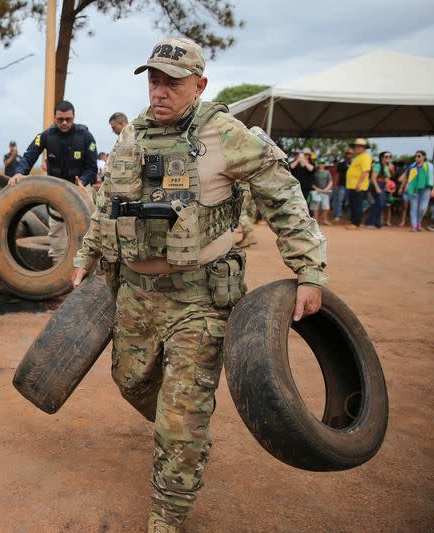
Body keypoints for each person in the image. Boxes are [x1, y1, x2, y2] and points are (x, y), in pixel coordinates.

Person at [71, 37, 326, 533]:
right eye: (153, 80)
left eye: (172, 82)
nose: (160, 91)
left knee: (180, 418)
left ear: (200, 85)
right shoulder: (132, 137)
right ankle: (185, 434)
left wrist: (309, 271)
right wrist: (87, 254)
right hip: (135, 294)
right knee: (130, 382)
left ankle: (168, 514)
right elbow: (107, 205)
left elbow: (283, 198)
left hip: (201, 297)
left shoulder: (227, 135)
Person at [9, 100, 99, 259]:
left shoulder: (85, 136)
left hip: (81, 189)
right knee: (57, 236)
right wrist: (20, 172)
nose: (64, 123)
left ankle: (90, 276)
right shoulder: (45, 136)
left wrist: (83, 181)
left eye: (68, 119)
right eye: (60, 119)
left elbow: (92, 167)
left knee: (89, 235)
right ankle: (58, 271)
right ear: (54, 118)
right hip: (56, 192)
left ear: (74, 117)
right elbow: (29, 155)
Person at [397, 150, 434, 232]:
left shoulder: (430, 166)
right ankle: (414, 226)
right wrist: (401, 188)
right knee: (413, 208)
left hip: (426, 188)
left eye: (419, 156)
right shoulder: (412, 166)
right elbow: (405, 177)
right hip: (413, 189)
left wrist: (433, 189)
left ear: (424, 157)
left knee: (422, 209)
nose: (416, 157)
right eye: (416, 156)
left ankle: (418, 222)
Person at [344, 138, 372, 230]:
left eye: (358, 146)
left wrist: (359, 184)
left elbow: (365, 171)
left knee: (357, 205)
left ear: (363, 147)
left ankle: (356, 223)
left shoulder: (366, 157)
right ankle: (353, 222)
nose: (356, 148)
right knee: (353, 204)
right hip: (352, 185)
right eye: (355, 146)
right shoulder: (357, 157)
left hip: (358, 186)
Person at [366, 151, 393, 229]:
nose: (388, 158)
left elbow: (387, 178)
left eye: (390, 157)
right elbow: (373, 178)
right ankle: (374, 223)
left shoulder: (386, 167)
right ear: (382, 158)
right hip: (377, 185)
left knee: (379, 205)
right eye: (386, 157)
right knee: (379, 204)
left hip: (382, 186)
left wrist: (387, 187)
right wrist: (377, 188)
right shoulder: (378, 166)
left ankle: (372, 222)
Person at [310, 159, 333, 225]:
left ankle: (324, 219)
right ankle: (316, 220)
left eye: (323, 164)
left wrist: (327, 189)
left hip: (325, 192)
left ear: (324, 165)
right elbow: (312, 183)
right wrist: (317, 189)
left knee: (326, 207)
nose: (321, 165)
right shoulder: (315, 173)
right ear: (318, 164)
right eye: (320, 163)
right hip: (316, 192)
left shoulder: (327, 172)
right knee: (315, 207)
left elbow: (330, 181)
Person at [332, 148, 353, 220]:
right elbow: (337, 175)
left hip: (352, 185)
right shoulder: (341, 164)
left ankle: (351, 216)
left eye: (350, 154)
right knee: (339, 200)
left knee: (350, 201)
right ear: (345, 155)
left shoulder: (354, 164)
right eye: (347, 154)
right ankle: (338, 215)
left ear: (352, 155)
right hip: (342, 185)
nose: (348, 155)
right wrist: (335, 184)